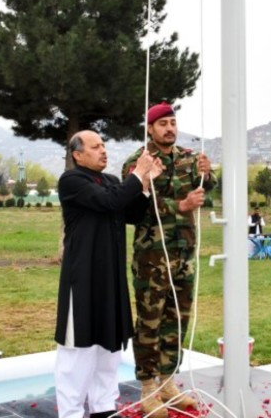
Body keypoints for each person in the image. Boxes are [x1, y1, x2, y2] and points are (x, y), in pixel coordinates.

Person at [55, 130, 162, 418]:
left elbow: (132, 214)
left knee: (110, 347)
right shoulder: (72, 181)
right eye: (95, 146)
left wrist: (145, 183)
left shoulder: (112, 181)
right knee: (78, 352)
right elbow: (109, 202)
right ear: (78, 154)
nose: (103, 150)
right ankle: (72, 412)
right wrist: (137, 174)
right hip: (84, 279)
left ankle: (103, 408)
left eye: (104, 144)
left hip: (111, 279)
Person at [122, 102, 216, 418]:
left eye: (173, 122)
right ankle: (148, 386)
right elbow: (134, 208)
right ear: (150, 128)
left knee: (177, 320)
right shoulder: (138, 162)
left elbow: (207, 194)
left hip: (184, 255)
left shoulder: (189, 158)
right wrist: (182, 205)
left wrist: (208, 175)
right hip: (152, 257)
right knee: (150, 322)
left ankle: (168, 383)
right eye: (163, 124)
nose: (170, 129)